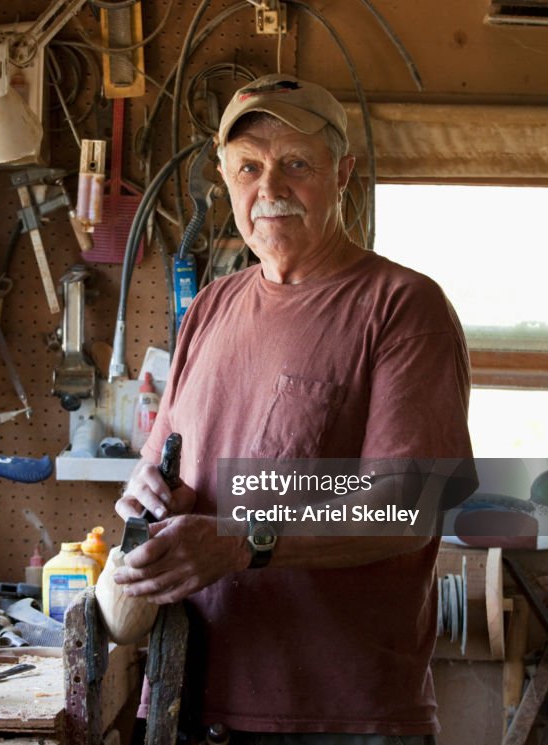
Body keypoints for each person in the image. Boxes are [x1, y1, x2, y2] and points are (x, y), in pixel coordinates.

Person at [113, 74, 477, 744]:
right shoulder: (211, 307)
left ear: (344, 173)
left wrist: (239, 542)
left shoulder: (401, 307)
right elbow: (169, 466)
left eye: (296, 164)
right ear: (225, 179)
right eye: (248, 167)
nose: (270, 189)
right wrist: (150, 494)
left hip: (339, 716)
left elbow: (409, 504)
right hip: (187, 693)